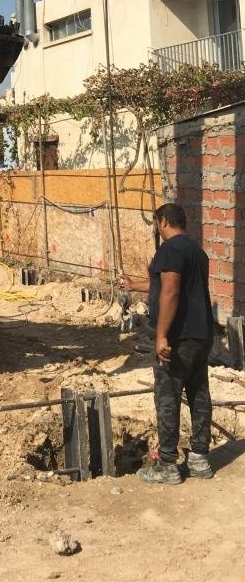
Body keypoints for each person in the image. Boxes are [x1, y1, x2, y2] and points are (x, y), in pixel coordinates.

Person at [120, 202, 215, 485]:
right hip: (201, 335)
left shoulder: (170, 249)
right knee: (199, 393)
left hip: (178, 337)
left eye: (155, 223)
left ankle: (167, 464)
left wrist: (161, 334)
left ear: (162, 221)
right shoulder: (197, 252)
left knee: (167, 397)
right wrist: (133, 286)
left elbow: (170, 293)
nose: (156, 228)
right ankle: (199, 459)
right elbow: (165, 284)